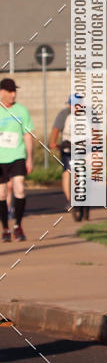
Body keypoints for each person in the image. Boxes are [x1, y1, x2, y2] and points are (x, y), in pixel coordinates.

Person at [0, 77, 33, 242]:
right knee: (2, 193)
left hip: (18, 155)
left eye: (15, 91)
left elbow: (27, 134)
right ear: (2, 92)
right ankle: (5, 228)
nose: (13, 95)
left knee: (19, 188)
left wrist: (29, 158)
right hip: (0, 159)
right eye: (10, 91)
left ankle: (17, 226)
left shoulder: (21, 110)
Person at [49, 94, 89, 221]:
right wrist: (53, 142)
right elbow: (56, 129)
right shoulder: (64, 114)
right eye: (71, 105)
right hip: (67, 146)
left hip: (82, 146)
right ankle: (70, 200)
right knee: (66, 172)